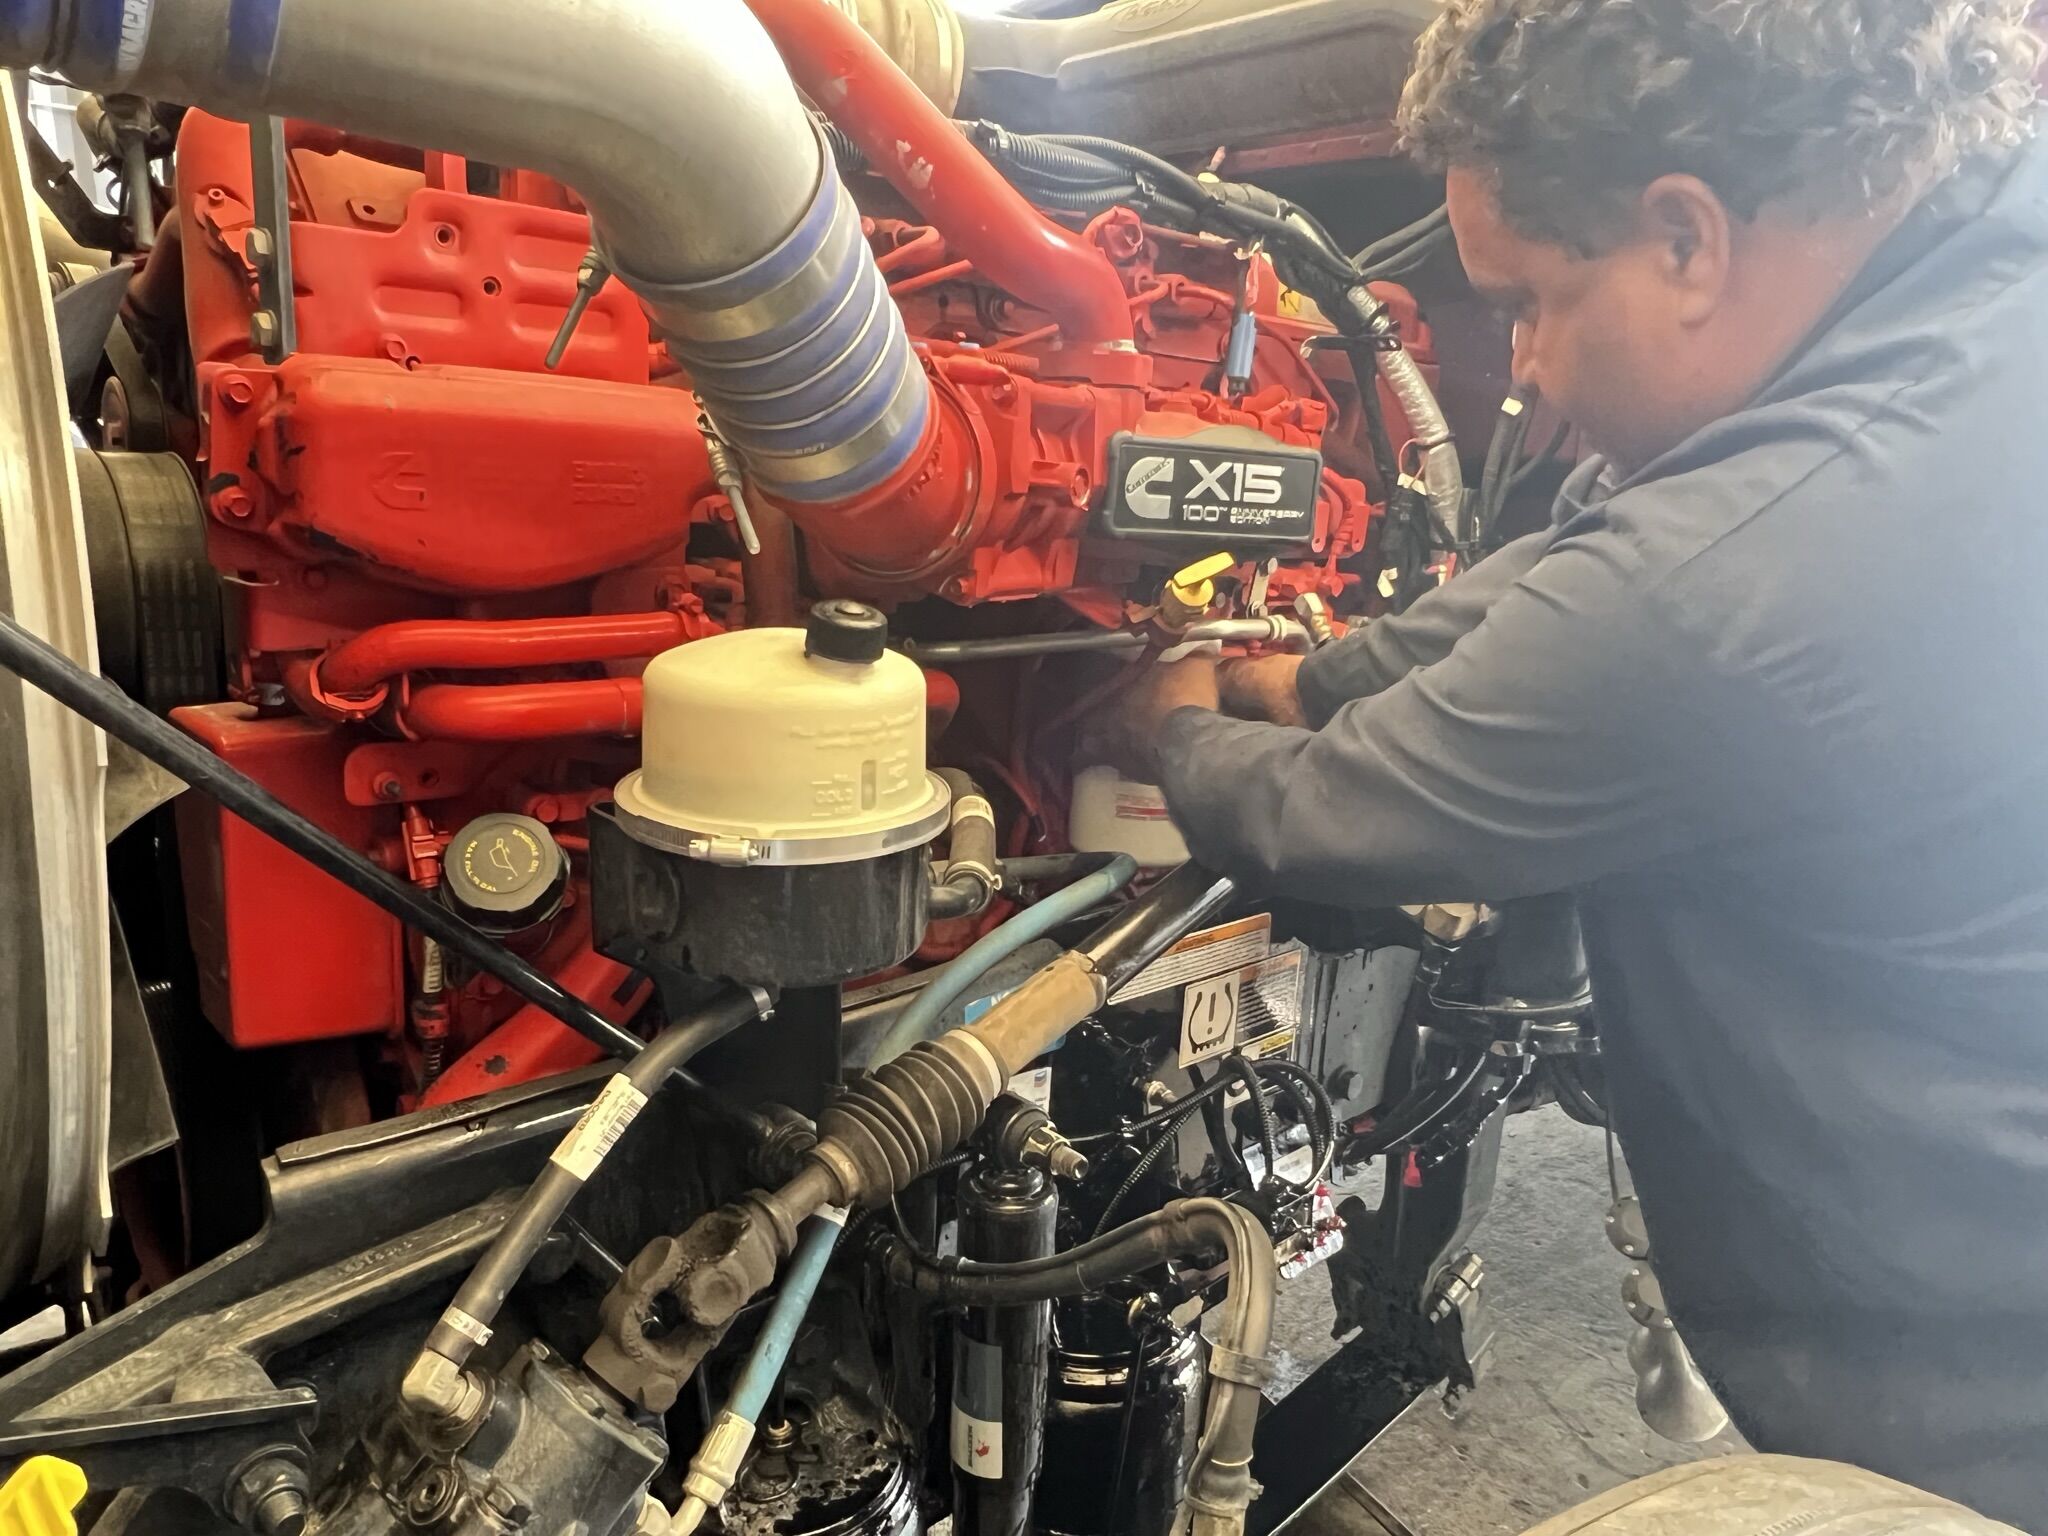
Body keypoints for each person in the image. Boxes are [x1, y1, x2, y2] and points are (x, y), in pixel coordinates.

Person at [1094, 2, 2048, 1527]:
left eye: (1526, 302)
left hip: (1984, 1386)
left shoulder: (1765, 567)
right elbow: (1589, 574)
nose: (1519, 367)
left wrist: (1165, 724)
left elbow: (1334, 812)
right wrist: (1302, 672)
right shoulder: (1985, 240)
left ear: (1686, 238)